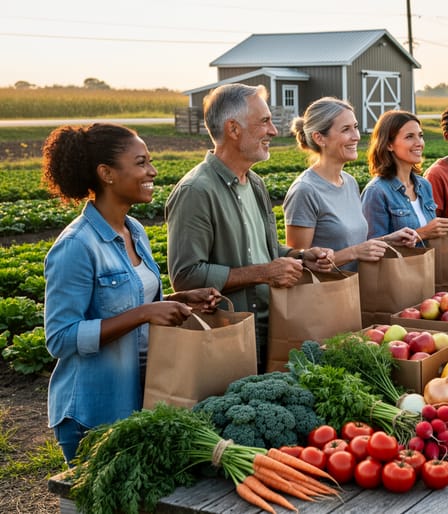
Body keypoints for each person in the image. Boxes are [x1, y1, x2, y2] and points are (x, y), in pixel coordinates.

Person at [42, 123, 223, 466]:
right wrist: (143, 314)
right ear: (107, 173)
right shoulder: (76, 246)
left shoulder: (134, 230)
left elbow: (133, 302)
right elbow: (60, 338)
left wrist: (177, 300)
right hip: (94, 410)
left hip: (140, 394)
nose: (152, 171)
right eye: (140, 163)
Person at [165, 84, 332, 373]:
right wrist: (264, 273)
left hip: (270, 330)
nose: (273, 131)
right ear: (233, 129)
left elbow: (262, 251)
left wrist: (300, 256)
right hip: (229, 341)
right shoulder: (196, 191)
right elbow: (186, 276)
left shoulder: (254, 183)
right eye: (265, 121)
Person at [282, 97, 417, 272]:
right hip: (325, 296)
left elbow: (355, 245)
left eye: (356, 127)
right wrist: (354, 252)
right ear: (319, 138)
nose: (356, 136)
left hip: (355, 291)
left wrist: (388, 240)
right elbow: (299, 266)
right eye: (346, 129)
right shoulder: (304, 190)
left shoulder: (349, 182)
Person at [361, 110, 448, 243]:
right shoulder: (376, 192)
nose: (419, 142)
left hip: (428, 263)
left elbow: (430, 234)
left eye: (420, 135)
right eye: (409, 137)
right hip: (401, 265)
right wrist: (422, 233)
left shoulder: (423, 185)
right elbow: (371, 248)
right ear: (389, 145)